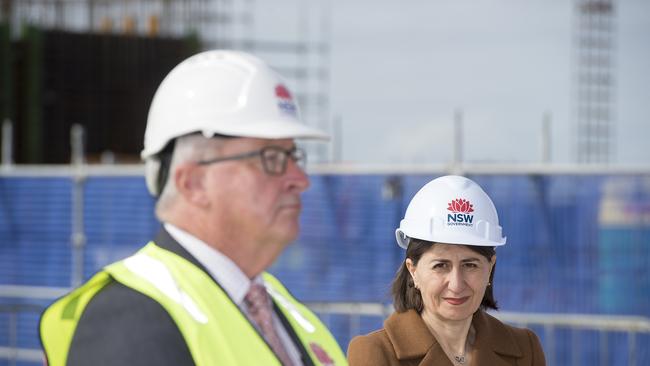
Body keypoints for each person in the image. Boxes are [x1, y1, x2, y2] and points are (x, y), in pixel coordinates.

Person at [39, 50, 347, 366]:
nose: (300, 179)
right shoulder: (129, 317)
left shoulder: (281, 308)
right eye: (271, 158)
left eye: (294, 157)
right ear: (193, 183)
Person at [347, 175, 546, 366]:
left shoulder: (525, 351)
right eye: (440, 266)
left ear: (490, 267)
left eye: (470, 265)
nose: (456, 284)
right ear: (413, 270)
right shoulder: (376, 353)